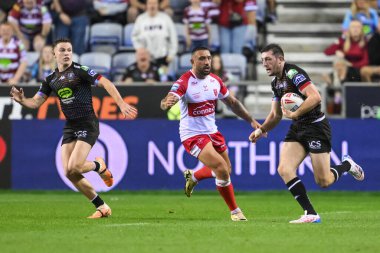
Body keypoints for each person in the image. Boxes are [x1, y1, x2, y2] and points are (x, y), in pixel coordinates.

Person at [10, 38, 138, 218]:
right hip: (71, 125)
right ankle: (102, 207)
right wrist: (22, 100)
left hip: (87, 122)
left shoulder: (80, 71)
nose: (66, 53)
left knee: (75, 166)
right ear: (54, 54)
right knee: (69, 172)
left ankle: (97, 165)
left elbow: (106, 82)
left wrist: (121, 103)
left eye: (69, 50)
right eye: (62, 50)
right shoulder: (50, 80)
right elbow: (36, 102)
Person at [249, 44, 365, 224]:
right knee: (284, 169)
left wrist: (295, 113)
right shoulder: (276, 83)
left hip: (315, 127)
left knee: (324, 181)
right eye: (262, 60)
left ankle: (346, 165)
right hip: (298, 128)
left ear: (280, 59)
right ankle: (310, 213)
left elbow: (315, 97)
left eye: (268, 59)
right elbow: (275, 115)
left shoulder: (293, 74)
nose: (264, 64)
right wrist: (261, 129)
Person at [160, 46, 261, 221]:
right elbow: (168, 99)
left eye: (208, 58)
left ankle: (194, 176)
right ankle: (235, 211)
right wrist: (166, 103)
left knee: (226, 170)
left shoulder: (215, 80)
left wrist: (251, 120)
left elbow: (233, 102)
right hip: (192, 135)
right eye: (202, 58)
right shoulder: (184, 82)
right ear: (192, 61)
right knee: (221, 168)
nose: (207, 62)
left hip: (212, 131)